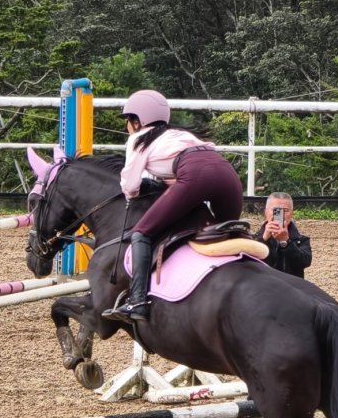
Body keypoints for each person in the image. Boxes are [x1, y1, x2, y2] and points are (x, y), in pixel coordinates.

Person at [102, 89, 244, 324]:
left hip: (194, 174)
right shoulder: (179, 134)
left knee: (141, 233)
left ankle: (137, 301)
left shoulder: (139, 138)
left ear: (137, 121)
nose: (127, 126)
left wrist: (141, 189)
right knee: (231, 234)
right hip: (226, 174)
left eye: (128, 120)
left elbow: (131, 186)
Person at [253, 192, 312, 278]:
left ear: (292, 214)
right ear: (265, 212)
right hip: (263, 289)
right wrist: (263, 239)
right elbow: (246, 262)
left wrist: (286, 242)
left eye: (285, 210)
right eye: (276, 210)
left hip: (290, 289)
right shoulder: (252, 239)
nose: (281, 215)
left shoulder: (301, 240)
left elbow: (305, 262)